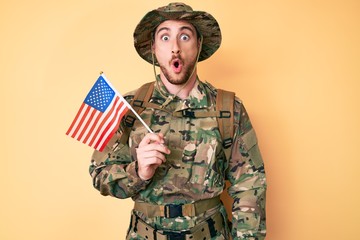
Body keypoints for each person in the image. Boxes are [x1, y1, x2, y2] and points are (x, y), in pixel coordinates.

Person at [90, 2, 266, 239]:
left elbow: (250, 186)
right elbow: (100, 175)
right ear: (153, 47)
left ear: (198, 44)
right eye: (164, 37)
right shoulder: (129, 108)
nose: (175, 48)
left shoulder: (228, 109)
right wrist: (139, 172)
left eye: (185, 36)